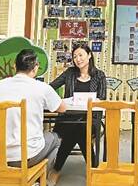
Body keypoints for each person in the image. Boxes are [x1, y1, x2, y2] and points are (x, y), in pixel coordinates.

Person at [0, 49, 67, 184]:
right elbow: (62, 108)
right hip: (26, 156)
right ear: (35, 67)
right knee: (56, 138)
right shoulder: (42, 87)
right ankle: (39, 179)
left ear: (15, 65)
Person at [49, 45, 107, 184]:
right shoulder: (69, 73)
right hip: (67, 119)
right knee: (78, 129)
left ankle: (56, 169)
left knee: (78, 129)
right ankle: (93, 169)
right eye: (75, 56)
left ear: (89, 55)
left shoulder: (99, 75)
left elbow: (102, 99)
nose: (77, 59)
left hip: (90, 120)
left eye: (80, 55)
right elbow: (50, 88)